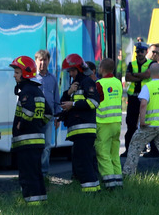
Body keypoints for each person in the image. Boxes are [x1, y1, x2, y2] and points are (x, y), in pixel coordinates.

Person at [59, 54, 102, 193]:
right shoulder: (74, 85)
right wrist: (68, 93)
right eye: (69, 71)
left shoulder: (87, 82)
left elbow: (94, 102)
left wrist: (73, 103)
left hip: (85, 131)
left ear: (79, 69)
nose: (71, 74)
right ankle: (90, 190)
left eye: (72, 70)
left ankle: (91, 193)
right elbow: (63, 104)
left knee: (85, 164)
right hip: (78, 132)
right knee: (80, 163)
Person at [9, 56, 49, 203]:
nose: (14, 75)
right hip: (37, 141)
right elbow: (48, 113)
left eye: (17, 72)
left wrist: (22, 124)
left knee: (27, 175)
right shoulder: (37, 91)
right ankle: (40, 201)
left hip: (27, 142)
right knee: (36, 173)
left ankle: (32, 206)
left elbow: (29, 110)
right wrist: (39, 124)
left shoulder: (26, 91)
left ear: (25, 73)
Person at [93, 58, 123, 189]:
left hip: (103, 122)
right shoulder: (117, 83)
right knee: (114, 154)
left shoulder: (99, 84)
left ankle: (110, 184)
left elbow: (96, 102)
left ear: (102, 69)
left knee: (103, 153)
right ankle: (118, 182)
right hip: (116, 123)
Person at [122, 42, 152, 158]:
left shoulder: (150, 63)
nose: (139, 53)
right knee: (131, 126)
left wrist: (135, 75)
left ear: (146, 52)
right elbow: (128, 77)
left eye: (142, 51)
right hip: (133, 97)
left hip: (146, 97)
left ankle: (147, 148)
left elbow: (147, 75)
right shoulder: (131, 64)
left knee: (148, 125)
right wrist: (141, 75)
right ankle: (128, 150)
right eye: (137, 51)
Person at [34, 49, 59, 180]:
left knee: (47, 146)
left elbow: (56, 99)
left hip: (49, 118)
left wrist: (57, 117)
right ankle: (35, 172)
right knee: (35, 146)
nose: (42, 63)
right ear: (36, 61)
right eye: (40, 60)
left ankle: (44, 173)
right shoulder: (32, 78)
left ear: (48, 61)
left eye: (45, 60)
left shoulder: (53, 79)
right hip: (35, 118)